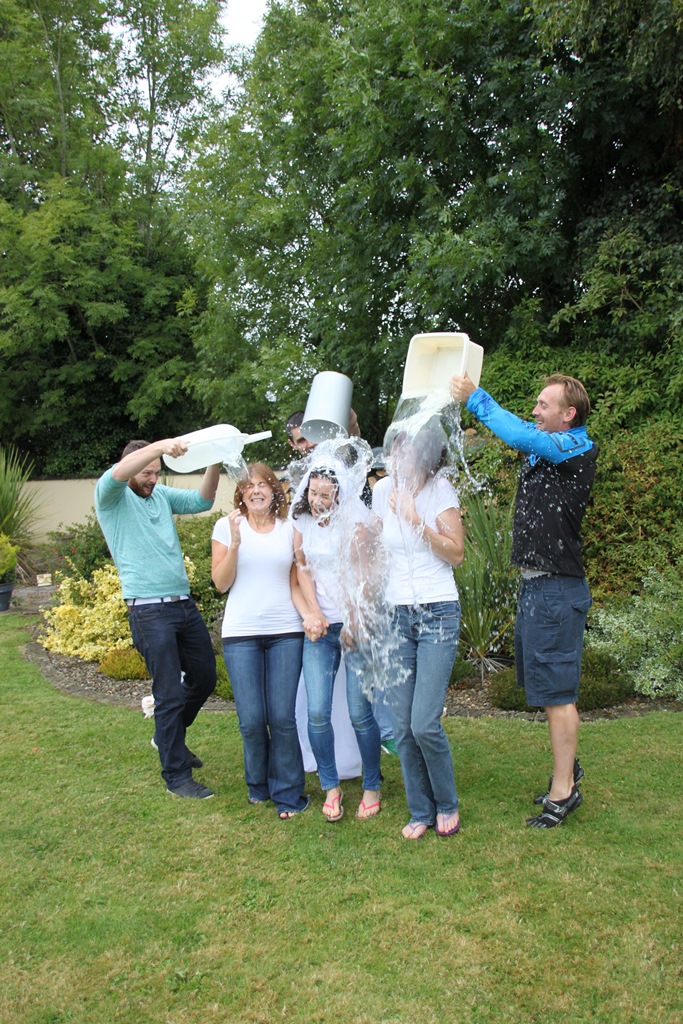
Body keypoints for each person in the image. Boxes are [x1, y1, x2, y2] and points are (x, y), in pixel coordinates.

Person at [449, 372, 598, 828]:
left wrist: (476, 399)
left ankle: (563, 792)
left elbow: (516, 432)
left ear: (568, 415)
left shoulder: (576, 447)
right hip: (537, 586)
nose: (535, 411)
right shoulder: (547, 445)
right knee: (544, 688)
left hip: (558, 587)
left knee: (558, 696)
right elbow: (525, 434)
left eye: (543, 405)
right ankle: (567, 769)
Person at [95, 438, 221, 799]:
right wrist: (162, 447)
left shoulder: (162, 497)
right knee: (167, 691)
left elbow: (203, 501)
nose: (152, 479)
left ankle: (168, 738)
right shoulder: (112, 496)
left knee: (204, 677)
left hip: (182, 605)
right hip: (148, 611)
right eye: (146, 472)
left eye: (156, 473)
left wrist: (214, 460)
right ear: (133, 466)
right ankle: (176, 777)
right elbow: (119, 474)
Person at [372, 424, 465, 839]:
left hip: (437, 610)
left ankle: (446, 803)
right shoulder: (381, 491)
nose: (396, 459)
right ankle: (419, 809)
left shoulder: (440, 491)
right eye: (394, 450)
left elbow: (457, 553)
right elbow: (378, 548)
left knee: (424, 722)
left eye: (405, 452)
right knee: (401, 725)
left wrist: (414, 520)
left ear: (426, 457)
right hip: (396, 613)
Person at [211, 463, 310, 820]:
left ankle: (289, 794)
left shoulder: (290, 529)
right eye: (249, 485)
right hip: (240, 634)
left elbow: (301, 577)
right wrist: (236, 545)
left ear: (274, 490)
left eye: (263, 484)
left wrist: (312, 613)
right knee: (252, 719)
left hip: (286, 631)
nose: (256, 490)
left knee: (282, 716)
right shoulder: (226, 526)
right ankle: (258, 785)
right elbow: (221, 583)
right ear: (240, 492)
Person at [291, 456, 383, 823]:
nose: (317, 501)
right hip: (320, 629)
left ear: (339, 495)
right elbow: (301, 568)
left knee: (361, 713)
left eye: (325, 495)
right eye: (313, 493)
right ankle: (331, 786)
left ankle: (372, 785)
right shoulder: (301, 523)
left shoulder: (355, 525)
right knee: (316, 712)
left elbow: (367, 577)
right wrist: (312, 613)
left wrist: (356, 619)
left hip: (355, 625)